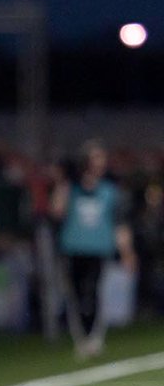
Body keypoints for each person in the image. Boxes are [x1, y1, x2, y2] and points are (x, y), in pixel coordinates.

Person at [50, 140, 137, 358]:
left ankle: (95, 338)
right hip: (73, 247)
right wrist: (63, 183)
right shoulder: (72, 188)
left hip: (98, 248)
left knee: (94, 291)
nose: (100, 163)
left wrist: (126, 252)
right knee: (75, 294)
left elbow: (119, 223)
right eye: (95, 158)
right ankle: (80, 339)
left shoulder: (109, 191)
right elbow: (57, 211)